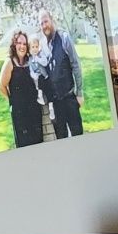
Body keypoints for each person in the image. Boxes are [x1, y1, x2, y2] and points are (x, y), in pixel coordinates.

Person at [36, 10, 85, 139]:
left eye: (46, 21)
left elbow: (76, 64)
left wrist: (79, 93)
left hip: (69, 98)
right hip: (56, 103)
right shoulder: (43, 46)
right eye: (41, 23)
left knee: (78, 136)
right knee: (61, 138)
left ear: (51, 20)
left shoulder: (64, 38)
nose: (44, 26)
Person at [0, 30, 45, 149]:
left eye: (24, 44)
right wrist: (12, 100)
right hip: (20, 114)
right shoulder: (10, 62)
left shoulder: (30, 61)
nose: (22, 46)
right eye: (19, 43)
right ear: (14, 44)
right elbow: (1, 86)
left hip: (34, 110)